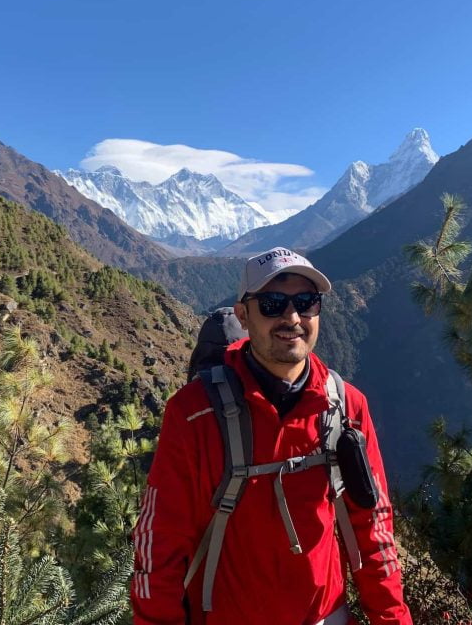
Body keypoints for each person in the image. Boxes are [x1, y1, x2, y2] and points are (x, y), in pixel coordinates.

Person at [131, 247, 413, 625]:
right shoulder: (194, 414)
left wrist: (392, 619)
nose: (291, 317)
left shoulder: (346, 407)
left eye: (306, 302)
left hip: (325, 616)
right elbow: (159, 545)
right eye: (272, 303)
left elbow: (374, 527)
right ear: (244, 315)